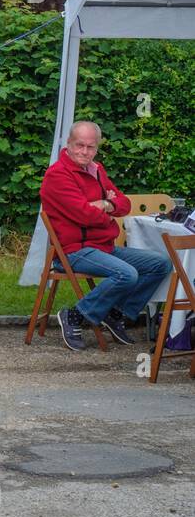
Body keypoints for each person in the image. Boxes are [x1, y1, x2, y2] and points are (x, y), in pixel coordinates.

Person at [42, 120, 172, 351]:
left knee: (161, 264)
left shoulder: (96, 169)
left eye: (90, 147)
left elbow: (124, 203)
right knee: (127, 274)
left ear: (97, 148)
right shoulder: (58, 175)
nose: (84, 151)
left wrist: (104, 204)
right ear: (68, 144)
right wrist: (107, 213)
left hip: (102, 246)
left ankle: (116, 313)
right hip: (73, 250)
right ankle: (74, 315)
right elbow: (85, 216)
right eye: (79, 145)